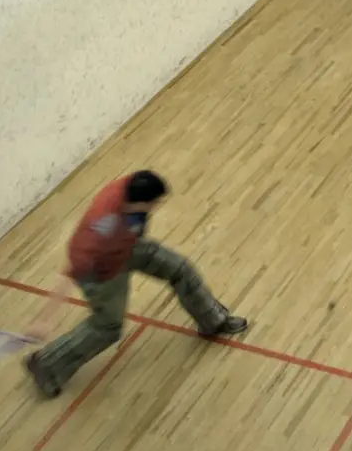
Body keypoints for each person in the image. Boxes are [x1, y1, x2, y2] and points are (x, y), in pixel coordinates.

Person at [22, 170, 247, 398]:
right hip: (101, 274)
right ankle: (46, 364)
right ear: (140, 203)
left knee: (180, 269)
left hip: (128, 247)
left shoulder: (128, 187)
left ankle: (213, 321)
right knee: (107, 328)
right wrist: (44, 319)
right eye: (154, 203)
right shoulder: (101, 228)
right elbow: (70, 270)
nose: (157, 206)